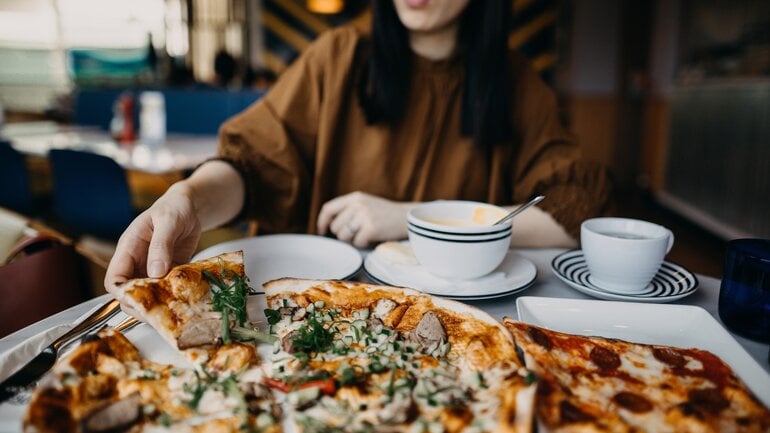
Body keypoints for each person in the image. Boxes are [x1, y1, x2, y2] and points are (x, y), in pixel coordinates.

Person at [105, 0, 611, 289]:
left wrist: (410, 218)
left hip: (466, 319)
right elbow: (251, 166)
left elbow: (570, 214)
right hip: (319, 310)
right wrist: (189, 199)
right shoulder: (339, 57)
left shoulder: (516, 83)